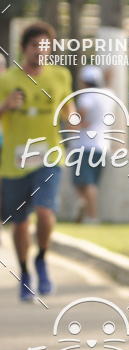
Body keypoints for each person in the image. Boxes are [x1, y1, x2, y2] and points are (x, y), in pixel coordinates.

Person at [0, 22, 74, 300]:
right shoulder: (6, 80)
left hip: (49, 156)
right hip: (14, 162)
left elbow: (69, 108)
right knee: (19, 224)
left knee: (44, 211)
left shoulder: (60, 76)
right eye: (35, 46)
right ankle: (25, 271)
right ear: (24, 48)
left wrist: (75, 118)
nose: (41, 51)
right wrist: (5, 106)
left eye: (46, 46)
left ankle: (42, 259)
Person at [68, 65, 114, 223]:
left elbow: (78, 119)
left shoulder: (86, 96)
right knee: (90, 183)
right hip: (103, 145)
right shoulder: (107, 95)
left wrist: (72, 122)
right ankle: (85, 208)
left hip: (84, 145)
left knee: (86, 183)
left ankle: (92, 216)